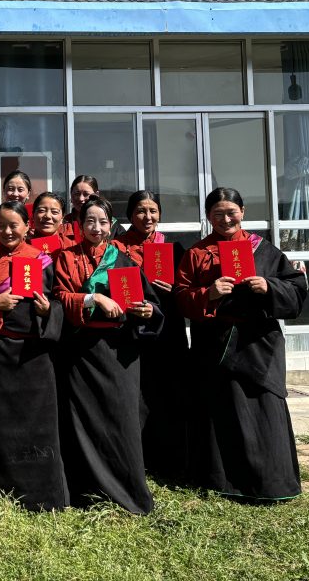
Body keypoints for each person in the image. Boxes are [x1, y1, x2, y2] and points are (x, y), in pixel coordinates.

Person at [174, 187, 306, 501]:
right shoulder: (196, 253)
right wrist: (209, 294)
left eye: (231, 212)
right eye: (217, 214)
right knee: (220, 410)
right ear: (208, 217)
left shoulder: (265, 249)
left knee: (265, 407)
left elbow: (296, 288)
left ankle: (271, 483)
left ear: (243, 212)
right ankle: (222, 482)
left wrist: (269, 286)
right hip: (215, 345)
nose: (225, 219)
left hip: (259, 344)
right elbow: (179, 297)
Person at [53, 195, 163, 515]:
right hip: (81, 351)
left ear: (112, 225)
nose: (96, 228)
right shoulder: (66, 258)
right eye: (90, 221)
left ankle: (126, 487)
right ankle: (87, 489)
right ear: (79, 225)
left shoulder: (125, 260)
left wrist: (145, 310)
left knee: (121, 419)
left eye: (103, 222)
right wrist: (93, 300)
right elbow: (60, 297)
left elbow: (149, 304)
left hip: (119, 352)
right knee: (83, 421)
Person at [0, 201, 67, 510]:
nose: (8, 231)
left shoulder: (44, 260)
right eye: (1, 226)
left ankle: (41, 492)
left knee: (38, 423)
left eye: (14, 225)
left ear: (27, 227)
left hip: (34, 357)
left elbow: (61, 301)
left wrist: (48, 309)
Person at [114, 190, 190, 482]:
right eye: (141, 211)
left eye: (153, 211)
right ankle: (137, 459)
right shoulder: (116, 248)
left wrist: (177, 291)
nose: (148, 217)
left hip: (167, 330)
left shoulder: (173, 247)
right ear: (130, 215)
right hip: (131, 330)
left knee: (167, 392)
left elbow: (187, 288)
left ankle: (168, 461)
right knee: (137, 394)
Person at [0, 170, 32, 240]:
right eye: (10, 189)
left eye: (20, 190)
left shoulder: (34, 219)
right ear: (4, 191)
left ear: (28, 193)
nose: (15, 194)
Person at [29, 191, 76, 258]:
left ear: (62, 217)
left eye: (54, 212)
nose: (48, 216)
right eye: (42, 210)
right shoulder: (22, 245)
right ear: (33, 215)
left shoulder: (71, 247)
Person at [60, 175, 99, 242]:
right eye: (77, 193)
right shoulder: (62, 223)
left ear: (97, 195)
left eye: (86, 194)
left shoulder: (109, 223)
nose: (81, 199)